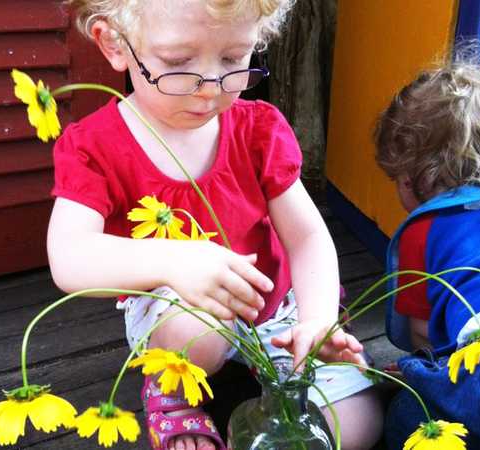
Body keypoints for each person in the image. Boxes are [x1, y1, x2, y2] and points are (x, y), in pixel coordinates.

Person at [48, 1, 382, 449]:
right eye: (178, 62)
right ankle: (173, 395)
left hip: (274, 308)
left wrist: (317, 319)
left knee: (359, 419)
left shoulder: (258, 129)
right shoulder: (94, 145)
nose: (209, 88)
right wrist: (176, 261)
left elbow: (306, 237)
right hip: (176, 310)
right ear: (115, 44)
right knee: (194, 329)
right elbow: (69, 256)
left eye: (233, 59)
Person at [375, 63, 480, 450]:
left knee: (412, 414)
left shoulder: (424, 229)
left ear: (412, 180)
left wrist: (426, 372)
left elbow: (422, 334)